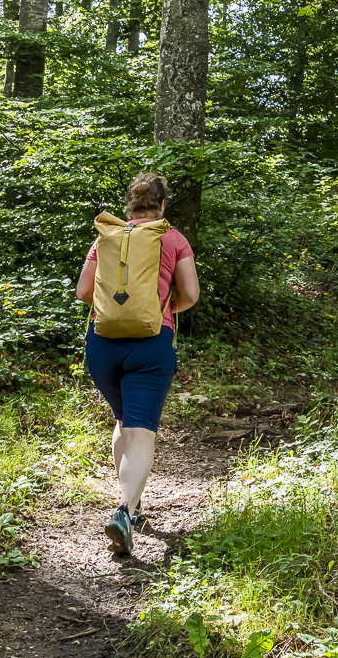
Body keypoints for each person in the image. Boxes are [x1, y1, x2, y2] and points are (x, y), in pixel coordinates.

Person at [75, 172, 200, 557]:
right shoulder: (172, 238)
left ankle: (131, 503)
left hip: (102, 345)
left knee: (122, 419)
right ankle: (126, 510)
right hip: (151, 344)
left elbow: (83, 292)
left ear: (130, 204)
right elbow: (191, 293)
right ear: (162, 205)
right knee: (141, 429)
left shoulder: (106, 236)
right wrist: (163, 311)